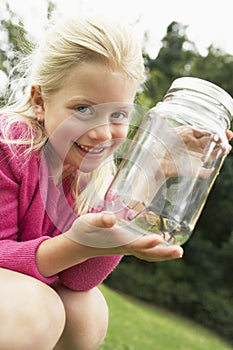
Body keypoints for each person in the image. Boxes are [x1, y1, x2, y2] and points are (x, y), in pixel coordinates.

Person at [0, 14, 232, 350]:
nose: (103, 133)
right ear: (40, 101)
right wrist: (76, 245)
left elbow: (78, 280)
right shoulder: (10, 144)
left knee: (88, 311)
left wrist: (150, 173)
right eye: (83, 109)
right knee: (36, 309)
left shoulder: (86, 172)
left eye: (119, 114)